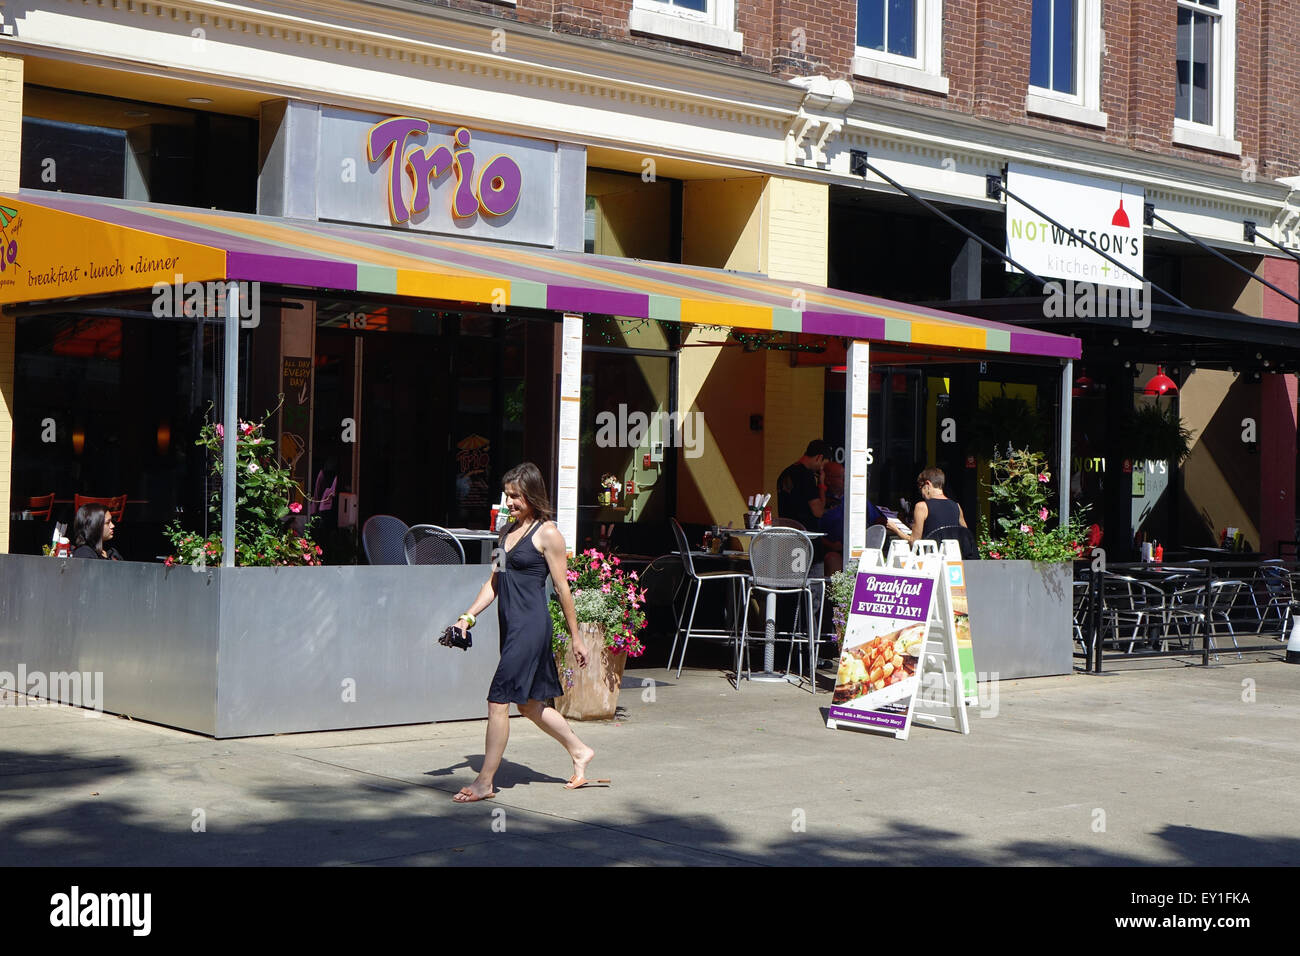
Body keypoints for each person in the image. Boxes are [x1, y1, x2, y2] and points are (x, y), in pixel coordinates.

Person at [448, 462, 600, 803]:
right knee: (529, 705)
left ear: (532, 495)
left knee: (498, 699)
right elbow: (494, 583)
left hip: (531, 627)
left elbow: (562, 588)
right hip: (512, 627)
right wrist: (466, 618)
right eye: (507, 495)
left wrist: (576, 637)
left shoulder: (548, 534)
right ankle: (580, 750)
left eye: (516, 496)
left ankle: (485, 781)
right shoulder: (504, 534)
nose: (510, 502)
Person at [903, 467, 974, 556]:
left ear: (927, 484)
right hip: (952, 557)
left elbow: (914, 543)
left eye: (920, 488)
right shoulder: (957, 506)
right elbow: (965, 535)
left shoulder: (922, 506)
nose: (921, 494)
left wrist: (896, 530)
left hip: (930, 558)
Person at [777, 439, 832, 531]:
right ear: (819, 457)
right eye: (823, 464)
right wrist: (821, 484)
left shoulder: (785, 473)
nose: (821, 469)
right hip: (804, 534)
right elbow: (818, 511)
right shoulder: (806, 475)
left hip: (787, 532)